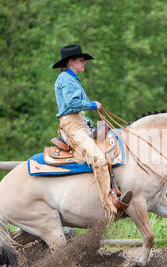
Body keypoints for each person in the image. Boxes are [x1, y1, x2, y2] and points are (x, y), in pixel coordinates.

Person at [52, 44, 132, 222]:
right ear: (71, 62)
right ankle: (110, 207)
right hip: (72, 126)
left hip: (81, 124)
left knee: (114, 141)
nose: (84, 64)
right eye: (81, 60)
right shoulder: (65, 78)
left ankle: (115, 189)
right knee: (99, 158)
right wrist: (92, 105)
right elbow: (72, 103)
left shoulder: (70, 78)